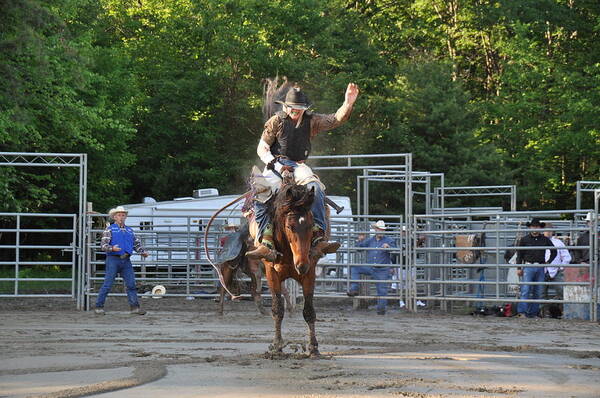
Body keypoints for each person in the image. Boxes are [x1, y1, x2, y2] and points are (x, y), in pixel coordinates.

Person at [246, 82, 359, 261]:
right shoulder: (276, 121)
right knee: (262, 192)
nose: (295, 111)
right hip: (276, 164)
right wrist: (276, 164)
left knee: (316, 188)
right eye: (292, 108)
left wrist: (348, 104)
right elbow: (262, 148)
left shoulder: (311, 121)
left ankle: (318, 236)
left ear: (304, 109)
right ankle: (265, 240)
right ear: (286, 107)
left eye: (299, 108)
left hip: (298, 166)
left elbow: (335, 119)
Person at [95, 206, 149, 315]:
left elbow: (136, 244)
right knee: (108, 284)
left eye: (123, 215)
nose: (121, 217)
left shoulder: (129, 230)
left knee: (131, 284)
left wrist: (142, 252)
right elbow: (103, 245)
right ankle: (98, 306)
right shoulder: (109, 229)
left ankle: (135, 308)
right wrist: (112, 248)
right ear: (114, 217)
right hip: (113, 259)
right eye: (119, 215)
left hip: (126, 260)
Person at [347, 220, 397, 315]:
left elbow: (396, 250)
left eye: (382, 230)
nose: (381, 231)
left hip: (382, 269)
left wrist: (389, 247)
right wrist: (360, 240)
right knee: (355, 267)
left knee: (382, 290)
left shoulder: (389, 240)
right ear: (376, 229)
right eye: (379, 229)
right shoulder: (370, 240)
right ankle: (354, 288)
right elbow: (359, 248)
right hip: (371, 267)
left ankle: (381, 310)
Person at [516, 218, 557, 318]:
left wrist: (548, 262)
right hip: (528, 266)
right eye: (533, 226)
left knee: (538, 291)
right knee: (526, 289)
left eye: (537, 226)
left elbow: (554, 251)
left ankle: (532, 313)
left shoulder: (544, 239)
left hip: (539, 266)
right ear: (530, 227)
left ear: (540, 228)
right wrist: (519, 267)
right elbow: (519, 254)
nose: (535, 228)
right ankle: (523, 312)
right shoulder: (524, 239)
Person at [542, 223, 571, 318]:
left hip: (556, 271)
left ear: (552, 232)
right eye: (546, 230)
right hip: (542, 271)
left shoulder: (558, 243)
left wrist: (561, 268)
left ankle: (564, 311)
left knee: (561, 291)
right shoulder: (539, 242)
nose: (548, 232)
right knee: (541, 293)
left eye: (550, 230)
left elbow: (567, 257)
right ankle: (544, 312)